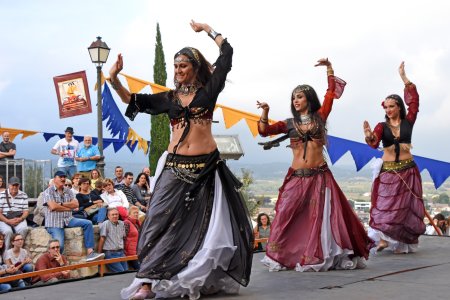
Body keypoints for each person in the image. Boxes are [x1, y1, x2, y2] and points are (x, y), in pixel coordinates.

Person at [111, 20, 253, 300]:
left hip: (206, 169)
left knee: (201, 228)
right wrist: (114, 79)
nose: (178, 71)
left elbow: (227, 55)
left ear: (195, 68)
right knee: (155, 220)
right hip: (175, 168)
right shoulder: (169, 98)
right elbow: (133, 100)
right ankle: (146, 283)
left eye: (183, 66)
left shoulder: (209, 91)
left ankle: (196, 274)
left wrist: (209, 30)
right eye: (175, 66)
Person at [257, 58, 372, 272]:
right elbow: (264, 131)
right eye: (293, 98)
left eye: (299, 97)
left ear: (308, 99)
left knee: (321, 218)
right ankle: (281, 255)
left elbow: (330, 94)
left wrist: (329, 69)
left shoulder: (320, 117)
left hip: (319, 176)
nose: (295, 101)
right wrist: (265, 111)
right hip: (297, 176)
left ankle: (323, 253)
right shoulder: (289, 124)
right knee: (284, 213)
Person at [363, 62, 425, 253]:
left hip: (408, 170)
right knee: (384, 205)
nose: (388, 109)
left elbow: (414, 101)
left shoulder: (409, 122)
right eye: (386, 107)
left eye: (392, 106)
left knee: (404, 208)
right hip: (389, 171)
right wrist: (368, 135)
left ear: (399, 107)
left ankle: (400, 242)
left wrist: (404, 77)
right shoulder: (382, 126)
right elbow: (373, 143)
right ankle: (382, 238)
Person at [42, 170, 104, 261]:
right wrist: (68, 207)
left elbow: (76, 205)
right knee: (60, 245)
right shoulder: (48, 191)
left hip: (68, 219)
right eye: (60, 177)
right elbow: (53, 206)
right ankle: (53, 264)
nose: (63, 179)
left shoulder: (68, 191)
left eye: (64, 177)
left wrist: (61, 204)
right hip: (54, 222)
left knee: (88, 223)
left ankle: (90, 253)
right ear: (55, 179)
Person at [0, 176, 29, 250]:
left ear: (19, 185)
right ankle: (6, 254)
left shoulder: (24, 195)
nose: (15, 187)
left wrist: (21, 219)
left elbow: (26, 211)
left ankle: (18, 250)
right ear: (9, 185)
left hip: (18, 218)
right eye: (13, 185)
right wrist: (8, 221)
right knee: (7, 231)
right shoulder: (1, 195)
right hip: (4, 219)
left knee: (23, 229)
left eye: (16, 185)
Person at [98, 208, 127, 273]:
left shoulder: (122, 224)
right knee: (121, 272)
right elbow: (102, 239)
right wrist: (99, 255)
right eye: (113, 215)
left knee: (126, 272)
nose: (115, 216)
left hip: (121, 252)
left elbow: (123, 238)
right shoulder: (106, 224)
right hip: (110, 253)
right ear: (108, 216)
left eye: (116, 214)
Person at [124, 206, 141, 270]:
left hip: (138, 251)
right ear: (129, 214)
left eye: (137, 213)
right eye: (134, 213)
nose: (136, 214)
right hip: (131, 252)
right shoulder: (126, 223)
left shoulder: (138, 223)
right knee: (140, 269)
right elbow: (123, 237)